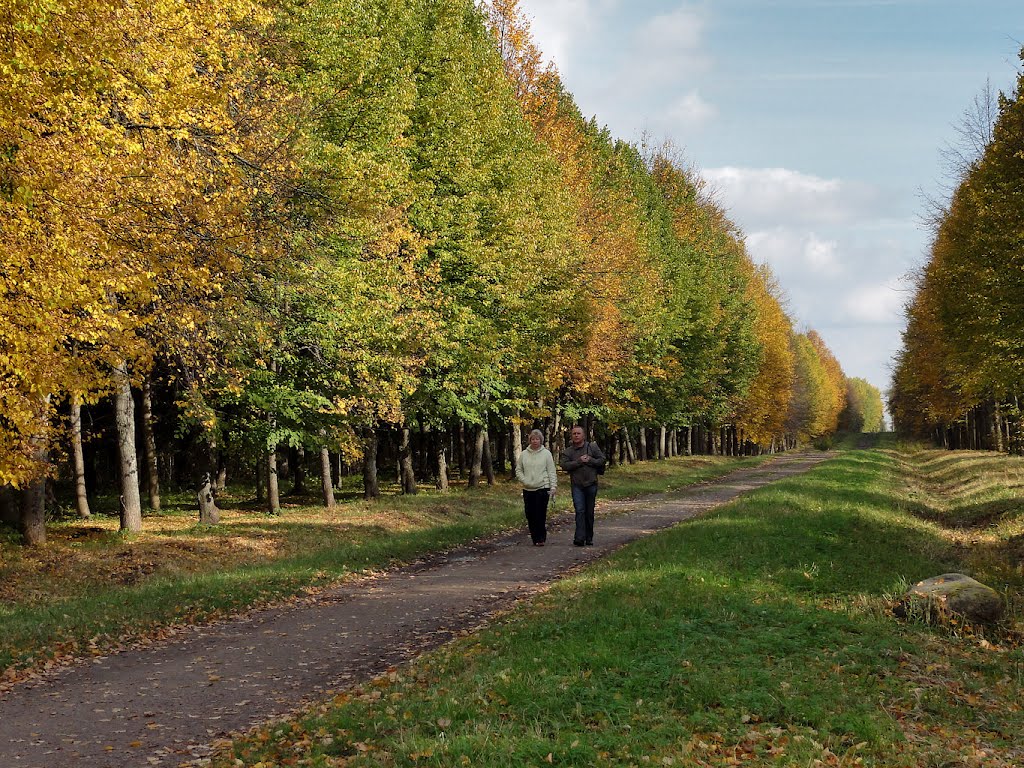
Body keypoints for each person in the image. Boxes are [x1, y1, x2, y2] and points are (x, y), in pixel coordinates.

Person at [559, 425, 605, 546]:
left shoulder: (592, 447)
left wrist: (590, 460)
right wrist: (579, 462)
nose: (576, 435)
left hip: (591, 483)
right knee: (580, 510)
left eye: (578, 433)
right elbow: (564, 465)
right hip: (577, 485)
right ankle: (579, 538)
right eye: (574, 434)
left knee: (589, 512)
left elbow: (602, 460)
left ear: (583, 435)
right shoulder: (568, 451)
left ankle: (589, 537)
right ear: (571, 436)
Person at [515, 429, 557, 546]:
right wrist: (524, 480)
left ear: (541, 440)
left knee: (540, 514)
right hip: (528, 488)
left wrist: (553, 486)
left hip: (543, 487)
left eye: (537, 439)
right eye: (533, 439)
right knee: (530, 514)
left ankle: (541, 538)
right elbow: (518, 470)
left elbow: (551, 471)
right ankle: (534, 537)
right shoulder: (524, 454)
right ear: (530, 440)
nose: (535, 441)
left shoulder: (546, 454)